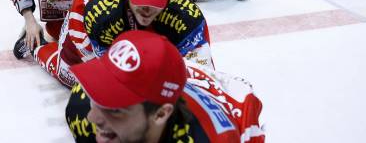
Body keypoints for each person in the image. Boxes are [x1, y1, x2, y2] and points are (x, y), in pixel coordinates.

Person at [32, 0, 213, 87]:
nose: (147, 9)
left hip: (122, 18)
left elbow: (203, 79)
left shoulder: (189, 19)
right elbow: (116, 81)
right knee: (73, 79)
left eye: (155, 1)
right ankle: (38, 47)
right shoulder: (101, 16)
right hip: (85, 16)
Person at [66, 30, 265, 143]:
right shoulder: (81, 105)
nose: (93, 118)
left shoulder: (212, 139)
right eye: (97, 97)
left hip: (229, 101)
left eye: (116, 110)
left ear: (160, 114)